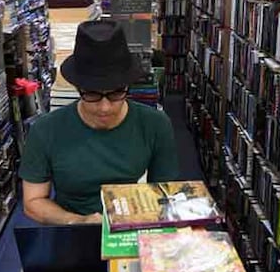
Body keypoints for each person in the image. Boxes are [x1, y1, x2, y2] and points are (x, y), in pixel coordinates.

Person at [18, 20, 179, 225]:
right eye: (92, 95)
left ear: (128, 86)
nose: (105, 107)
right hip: (72, 230)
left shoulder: (155, 124)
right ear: (77, 88)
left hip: (133, 224)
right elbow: (33, 202)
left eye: (116, 93)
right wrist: (78, 221)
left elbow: (166, 195)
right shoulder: (45, 130)